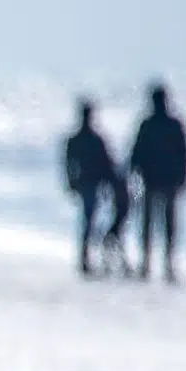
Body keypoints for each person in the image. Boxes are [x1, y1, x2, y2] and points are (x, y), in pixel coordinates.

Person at [129, 83, 186, 283]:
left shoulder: (161, 125)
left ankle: (161, 265)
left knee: (162, 226)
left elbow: (183, 154)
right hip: (157, 181)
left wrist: (182, 176)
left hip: (161, 181)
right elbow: (137, 153)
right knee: (158, 226)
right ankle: (154, 264)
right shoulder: (163, 125)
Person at [63, 98, 116, 276]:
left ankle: (88, 258)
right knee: (89, 221)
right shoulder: (87, 139)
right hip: (88, 185)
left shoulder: (86, 139)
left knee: (90, 222)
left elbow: (105, 163)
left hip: (91, 184)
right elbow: (70, 164)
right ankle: (86, 258)